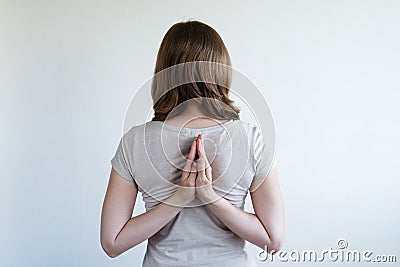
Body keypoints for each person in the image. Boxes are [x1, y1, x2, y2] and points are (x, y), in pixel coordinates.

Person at [100, 20, 285, 267]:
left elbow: (113, 243)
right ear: (220, 70)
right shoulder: (250, 139)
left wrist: (189, 197)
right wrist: (202, 197)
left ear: (164, 72)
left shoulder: (135, 142)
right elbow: (272, 241)